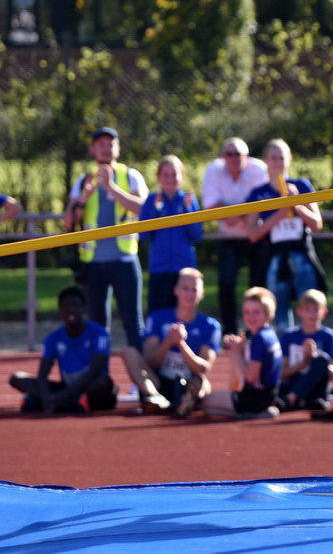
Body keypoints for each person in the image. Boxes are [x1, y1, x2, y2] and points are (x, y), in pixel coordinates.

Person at [63, 127, 148, 349]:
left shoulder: (130, 176)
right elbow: (69, 221)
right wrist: (85, 196)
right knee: (97, 325)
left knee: (133, 322)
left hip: (124, 260)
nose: (106, 149)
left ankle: (140, 379)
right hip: (93, 263)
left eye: (110, 144)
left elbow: (144, 211)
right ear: (93, 149)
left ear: (118, 149)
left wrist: (111, 186)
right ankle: (99, 378)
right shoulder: (83, 180)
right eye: (100, 144)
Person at [245, 139, 327, 331]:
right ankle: (285, 352)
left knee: (309, 305)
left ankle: (311, 346)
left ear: (289, 160)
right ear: (266, 161)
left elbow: (316, 224)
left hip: (301, 254)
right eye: (273, 158)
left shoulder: (302, 185)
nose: (277, 162)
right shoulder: (258, 193)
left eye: (281, 157)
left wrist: (296, 204)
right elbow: (253, 234)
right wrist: (281, 211)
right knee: (278, 308)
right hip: (275, 258)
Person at [122, 268, 221, 418]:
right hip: (159, 380)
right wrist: (168, 342)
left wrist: (181, 345)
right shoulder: (157, 319)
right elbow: (150, 361)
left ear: (202, 294)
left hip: (190, 380)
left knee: (203, 383)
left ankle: (188, 400)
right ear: (176, 291)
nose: (189, 294)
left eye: (194, 290)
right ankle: (154, 396)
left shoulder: (211, 326)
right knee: (129, 352)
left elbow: (203, 368)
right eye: (185, 289)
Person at [9, 285, 117, 413]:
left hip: (89, 386)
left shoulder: (99, 333)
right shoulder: (53, 338)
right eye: (66, 306)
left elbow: (95, 369)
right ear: (60, 310)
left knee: (105, 383)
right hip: (66, 387)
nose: (71, 310)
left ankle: (60, 401)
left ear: (84, 308)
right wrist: (46, 399)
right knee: (16, 378)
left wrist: (66, 395)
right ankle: (71, 403)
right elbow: (43, 373)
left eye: (75, 305)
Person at [201, 137, 270, 335]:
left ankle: (256, 333)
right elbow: (211, 208)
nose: (234, 158)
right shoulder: (214, 170)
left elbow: (265, 204)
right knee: (226, 283)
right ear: (223, 156)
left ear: (247, 156)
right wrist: (245, 210)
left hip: (255, 236)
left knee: (258, 286)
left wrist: (231, 211)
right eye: (229, 154)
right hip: (228, 237)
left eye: (238, 154)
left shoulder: (258, 169)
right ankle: (229, 332)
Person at [201, 287, 283, 419]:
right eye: (247, 312)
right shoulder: (267, 333)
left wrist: (236, 352)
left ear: (268, 314)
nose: (250, 317)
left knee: (206, 403)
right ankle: (252, 409)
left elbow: (251, 377)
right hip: (269, 394)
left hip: (254, 397)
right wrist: (237, 345)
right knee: (212, 403)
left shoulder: (259, 339)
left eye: (256, 312)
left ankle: (251, 413)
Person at [139, 155, 203, 314]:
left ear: (181, 176)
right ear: (158, 177)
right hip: (159, 268)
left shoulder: (188, 200)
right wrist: (156, 210)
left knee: (184, 313)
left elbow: (196, 235)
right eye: (166, 175)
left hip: (184, 269)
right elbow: (143, 235)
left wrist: (188, 211)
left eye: (174, 174)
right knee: (158, 314)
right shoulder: (151, 200)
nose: (170, 179)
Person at [277, 289, 333, 411]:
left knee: (322, 358)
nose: (312, 314)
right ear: (299, 311)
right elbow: (282, 374)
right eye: (308, 309)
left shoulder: (329, 336)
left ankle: (293, 399)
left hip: (317, 388)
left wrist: (315, 358)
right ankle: (297, 398)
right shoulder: (289, 336)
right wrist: (303, 362)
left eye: (316, 310)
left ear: (324, 313)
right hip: (293, 383)